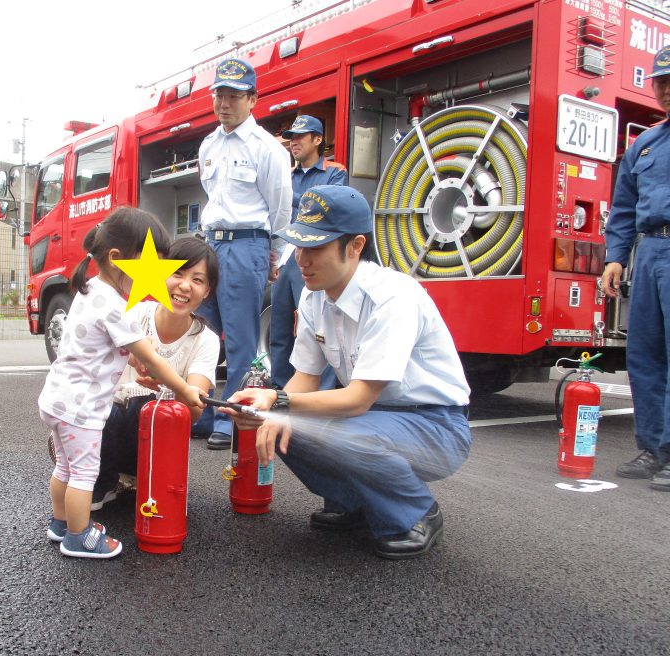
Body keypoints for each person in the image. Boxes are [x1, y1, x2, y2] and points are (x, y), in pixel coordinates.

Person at [224, 185, 471, 559]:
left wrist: (280, 400)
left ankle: (416, 511)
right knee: (278, 424)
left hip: (436, 426)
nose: (302, 260)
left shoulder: (393, 297)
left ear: (355, 246)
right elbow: (306, 376)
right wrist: (268, 410)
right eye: (300, 246)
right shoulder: (314, 295)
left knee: (332, 430)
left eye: (316, 247)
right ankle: (355, 503)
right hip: (376, 419)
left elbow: (357, 399)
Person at [38, 208, 204, 559]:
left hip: (57, 399)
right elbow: (156, 359)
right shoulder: (115, 306)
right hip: (81, 407)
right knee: (84, 472)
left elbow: (110, 346)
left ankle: (60, 523)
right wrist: (185, 389)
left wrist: (135, 361)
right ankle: (78, 536)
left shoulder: (89, 289)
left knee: (65, 467)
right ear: (116, 259)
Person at [195, 57, 293, 450]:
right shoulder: (208, 144)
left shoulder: (266, 147)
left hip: (247, 243)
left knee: (239, 338)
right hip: (211, 244)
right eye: (219, 94)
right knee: (201, 331)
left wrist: (275, 254)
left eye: (234, 96)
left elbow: (281, 207)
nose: (224, 103)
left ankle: (227, 418)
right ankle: (201, 409)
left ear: (252, 99)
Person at [91, 236, 221, 511]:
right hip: (108, 429)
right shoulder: (134, 314)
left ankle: (135, 479)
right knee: (109, 405)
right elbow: (93, 365)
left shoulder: (206, 340)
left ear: (208, 290)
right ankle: (102, 479)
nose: (185, 286)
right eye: (178, 273)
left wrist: (167, 386)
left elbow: (195, 413)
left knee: (147, 406)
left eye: (198, 280)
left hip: (158, 445)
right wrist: (132, 358)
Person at [601, 43, 670, 492]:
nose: (666, 91)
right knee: (644, 355)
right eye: (662, 83)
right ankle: (653, 448)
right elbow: (624, 209)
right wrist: (614, 258)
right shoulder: (644, 145)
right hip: (651, 254)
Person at [270, 114, 348, 387]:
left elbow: (324, 205)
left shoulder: (334, 171)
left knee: (318, 328)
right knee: (279, 329)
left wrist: (285, 196)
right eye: (291, 137)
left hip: (314, 253)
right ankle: (279, 388)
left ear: (317, 140)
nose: (294, 142)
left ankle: (321, 394)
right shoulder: (287, 175)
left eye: (301, 137)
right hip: (286, 256)